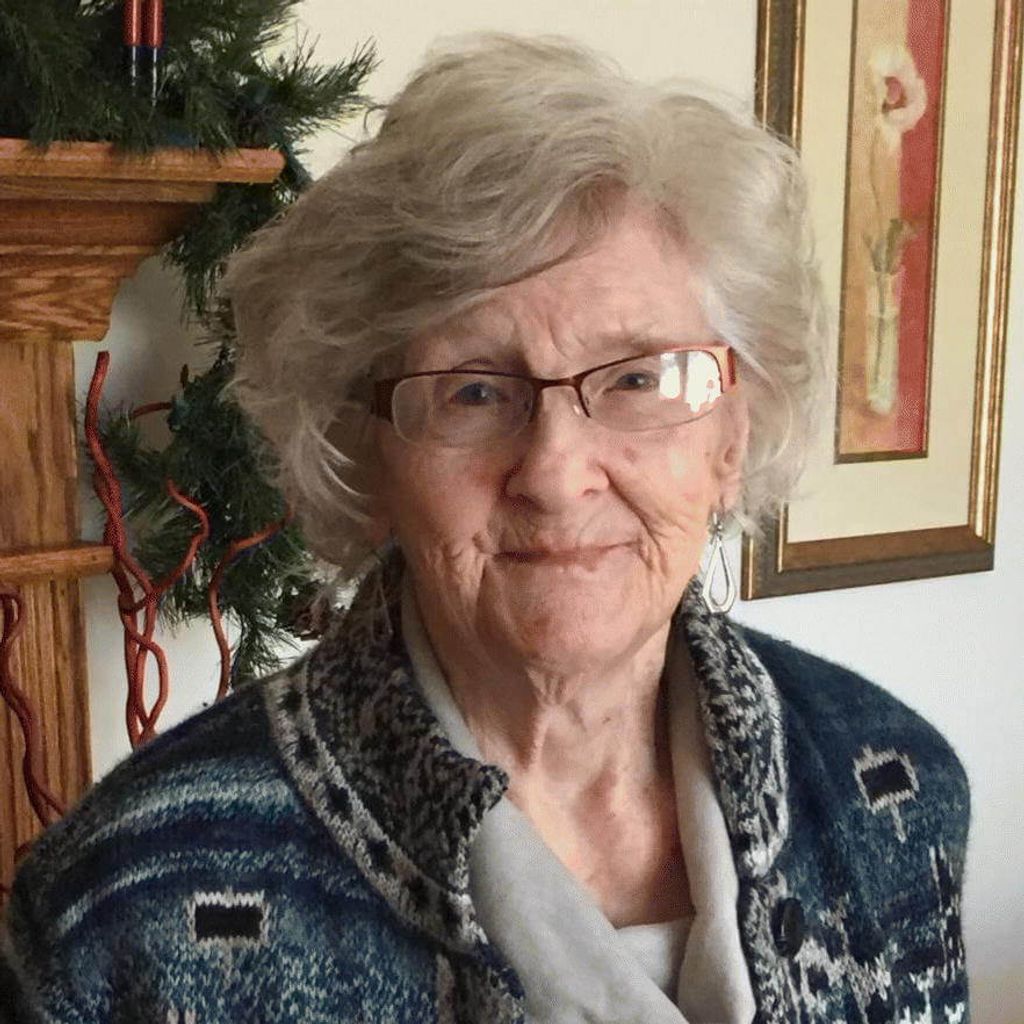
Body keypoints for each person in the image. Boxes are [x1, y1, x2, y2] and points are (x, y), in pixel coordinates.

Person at [1, 34, 969, 1024]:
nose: (554, 473)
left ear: (733, 433)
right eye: (471, 390)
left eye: (638, 379)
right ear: (365, 449)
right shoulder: (126, 913)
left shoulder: (890, 784)